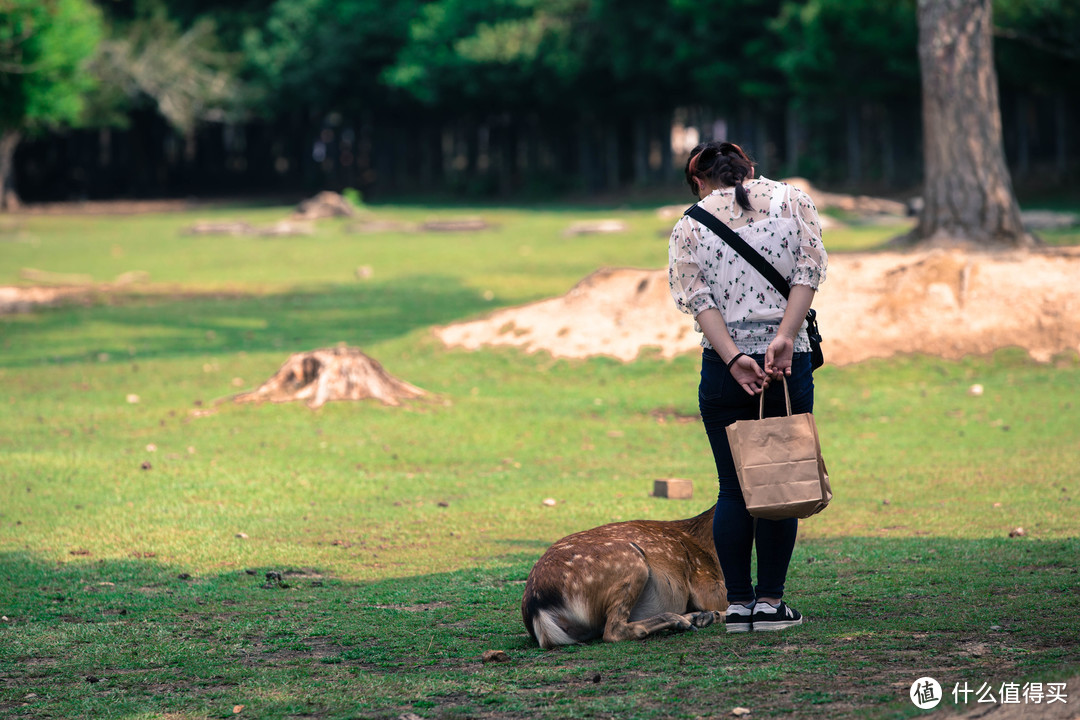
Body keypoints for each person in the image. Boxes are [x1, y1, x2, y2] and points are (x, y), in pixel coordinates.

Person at [668, 141, 827, 632]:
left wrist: (734, 357)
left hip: (724, 369)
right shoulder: (793, 201)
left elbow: (697, 299)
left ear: (699, 180)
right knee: (780, 476)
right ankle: (771, 603)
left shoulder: (690, 224)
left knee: (733, 489)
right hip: (787, 363)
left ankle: (737, 604)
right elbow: (809, 271)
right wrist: (782, 336)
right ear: (750, 168)